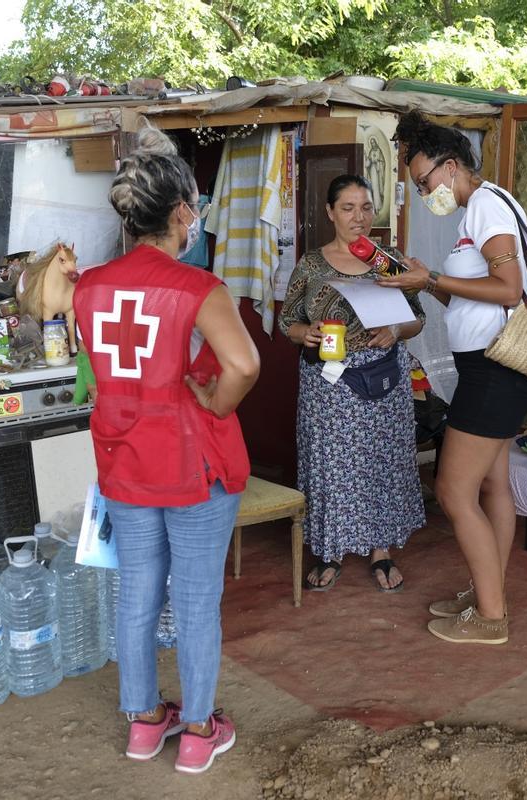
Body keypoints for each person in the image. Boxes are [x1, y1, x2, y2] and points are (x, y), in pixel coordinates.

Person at [72, 125, 260, 775]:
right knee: (197, 600)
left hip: (124, 459)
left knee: (138, 595)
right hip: (190, 463)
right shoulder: (197, 287)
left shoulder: (89, 288)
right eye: (196, 210)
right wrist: (216, 404)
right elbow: (241, 364)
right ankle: (202, 731)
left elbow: (94, 374)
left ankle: (145, 723)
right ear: (182, 213)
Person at [379, 112, 527, 645]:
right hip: (494, 365)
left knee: (451, 489)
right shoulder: (482, 206)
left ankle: (492, 618)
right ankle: (487, 590)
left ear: (451, 167)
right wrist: (428, 283)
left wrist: (431, 276)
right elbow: (474, 293)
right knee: (493, 485)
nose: (425, 191)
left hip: (496, 369)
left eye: (425, 181)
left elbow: (508, 289)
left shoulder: (487, 206)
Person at [279, 175, 426, 593]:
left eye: (365, 208)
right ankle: (331, 550)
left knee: (381, 461)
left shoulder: (385, 259)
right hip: (328, 383)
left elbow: (418, 317)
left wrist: (397, 330)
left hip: (382, 376)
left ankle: (381, 551)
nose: (359, 218)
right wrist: (303, 332)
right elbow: (287, 320)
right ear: (330, 213)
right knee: (331, 466)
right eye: (348, 208)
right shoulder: (311, 264)